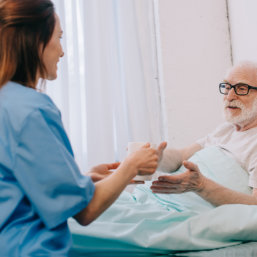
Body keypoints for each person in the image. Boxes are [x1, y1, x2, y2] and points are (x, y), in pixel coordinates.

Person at [0, 0, 167, 255]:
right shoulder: (31, 110)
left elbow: (15, 185)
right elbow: (86, 213)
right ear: (35, 40)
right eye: (59, 37)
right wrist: (131, 165)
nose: (62, 52)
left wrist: (82, 180)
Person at [151, 61, 257, 206]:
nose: (229, 96)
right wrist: (155, 158)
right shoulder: (225, 130)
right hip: (164, 202)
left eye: (242, 88)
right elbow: (182, 156)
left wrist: (201, 186)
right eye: (227, 87)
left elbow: (255, 206)